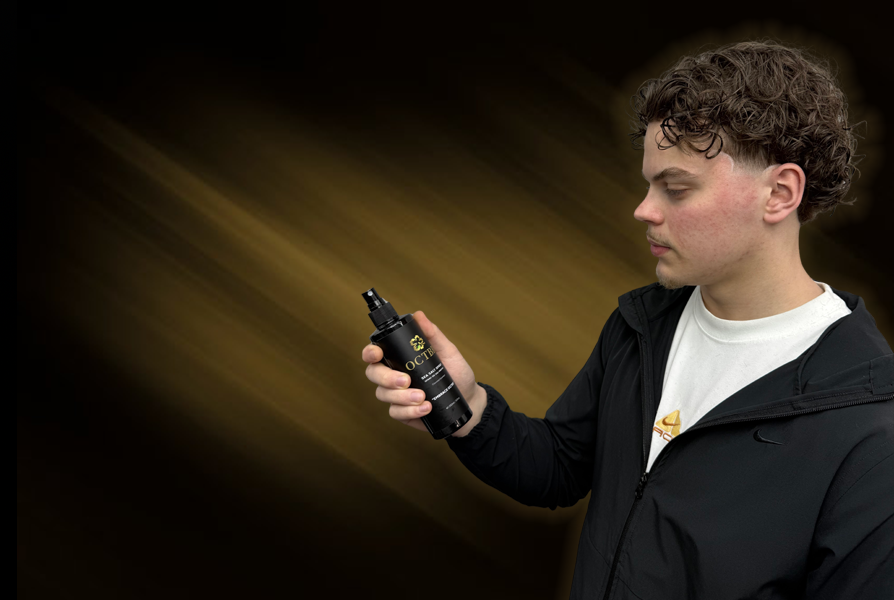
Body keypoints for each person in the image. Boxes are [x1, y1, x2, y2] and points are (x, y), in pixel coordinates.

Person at [361, 41, 893, 599]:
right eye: (647, 182)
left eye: (676, 187)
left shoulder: (867, 425)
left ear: (779, 193)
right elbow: (560, 469)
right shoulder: (642, 326)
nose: (644, 208)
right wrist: (468, 410)